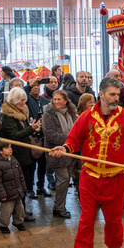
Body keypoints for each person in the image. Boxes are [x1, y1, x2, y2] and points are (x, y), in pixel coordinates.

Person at [49, 77, 124, 248]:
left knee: (113, 220)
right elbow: (73, 140)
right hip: (90, 177)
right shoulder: (86, 116)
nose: (116, 98)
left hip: (116, 178)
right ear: (101, 95)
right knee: (86, 221)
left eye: (118, 94)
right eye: (112, 94)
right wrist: (64, 149)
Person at [0, 86, 42, 220]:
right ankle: (19, 214)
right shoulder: (8, 116)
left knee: (26, 184)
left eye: (24, 100)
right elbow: (15, 135)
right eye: (21, 101)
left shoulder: (21, 112)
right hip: (18, 154)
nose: (23, 103)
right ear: (14, 100)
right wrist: (31, 129)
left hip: (26, 154)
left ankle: (21, 211)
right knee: (19, 185)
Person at [41, 89, 76, 219]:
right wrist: (71, 138)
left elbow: (77, 128)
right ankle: (58, 208)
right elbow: (50, 135)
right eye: (54, 99)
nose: (56, 102)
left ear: (65, 101)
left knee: (66, 180)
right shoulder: (48, 115)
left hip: (71, 151)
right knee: (63, 179)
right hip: (56, 152)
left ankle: (61, 206)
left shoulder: (72, 113)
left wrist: (73, 141)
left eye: (59, 99)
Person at [0, 141, 27, 234]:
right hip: (7, 194)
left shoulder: (14, 160)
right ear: (0, 151)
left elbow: (20, 175)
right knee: (6, 211)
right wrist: (2, 194)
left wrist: (23, 188)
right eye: (7, 148)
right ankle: (3, 225)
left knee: (20, 209)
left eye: (10, 147)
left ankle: (18, 222)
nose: (10, 149)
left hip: (17, 191)